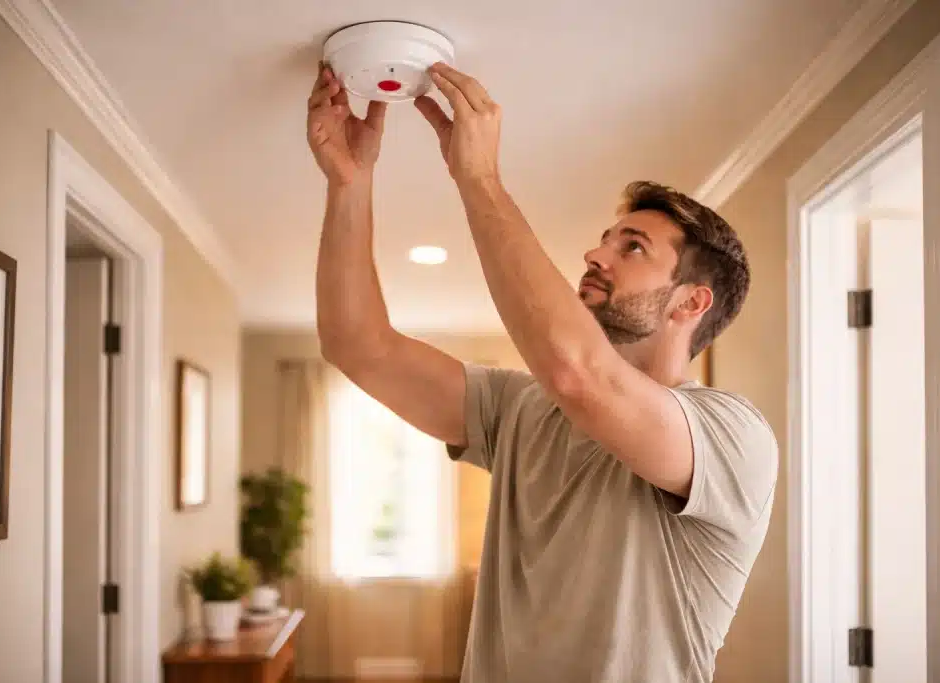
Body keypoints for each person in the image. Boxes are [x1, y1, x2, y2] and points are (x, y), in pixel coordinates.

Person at [306, 60, 778, 683]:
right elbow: (358, 345)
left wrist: (478, 177)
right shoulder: (519, 407)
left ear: (691, 302)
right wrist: (349, 183)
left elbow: (578, 372)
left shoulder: (732, 436)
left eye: (632, 247)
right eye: (606, 238)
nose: (595, 253)